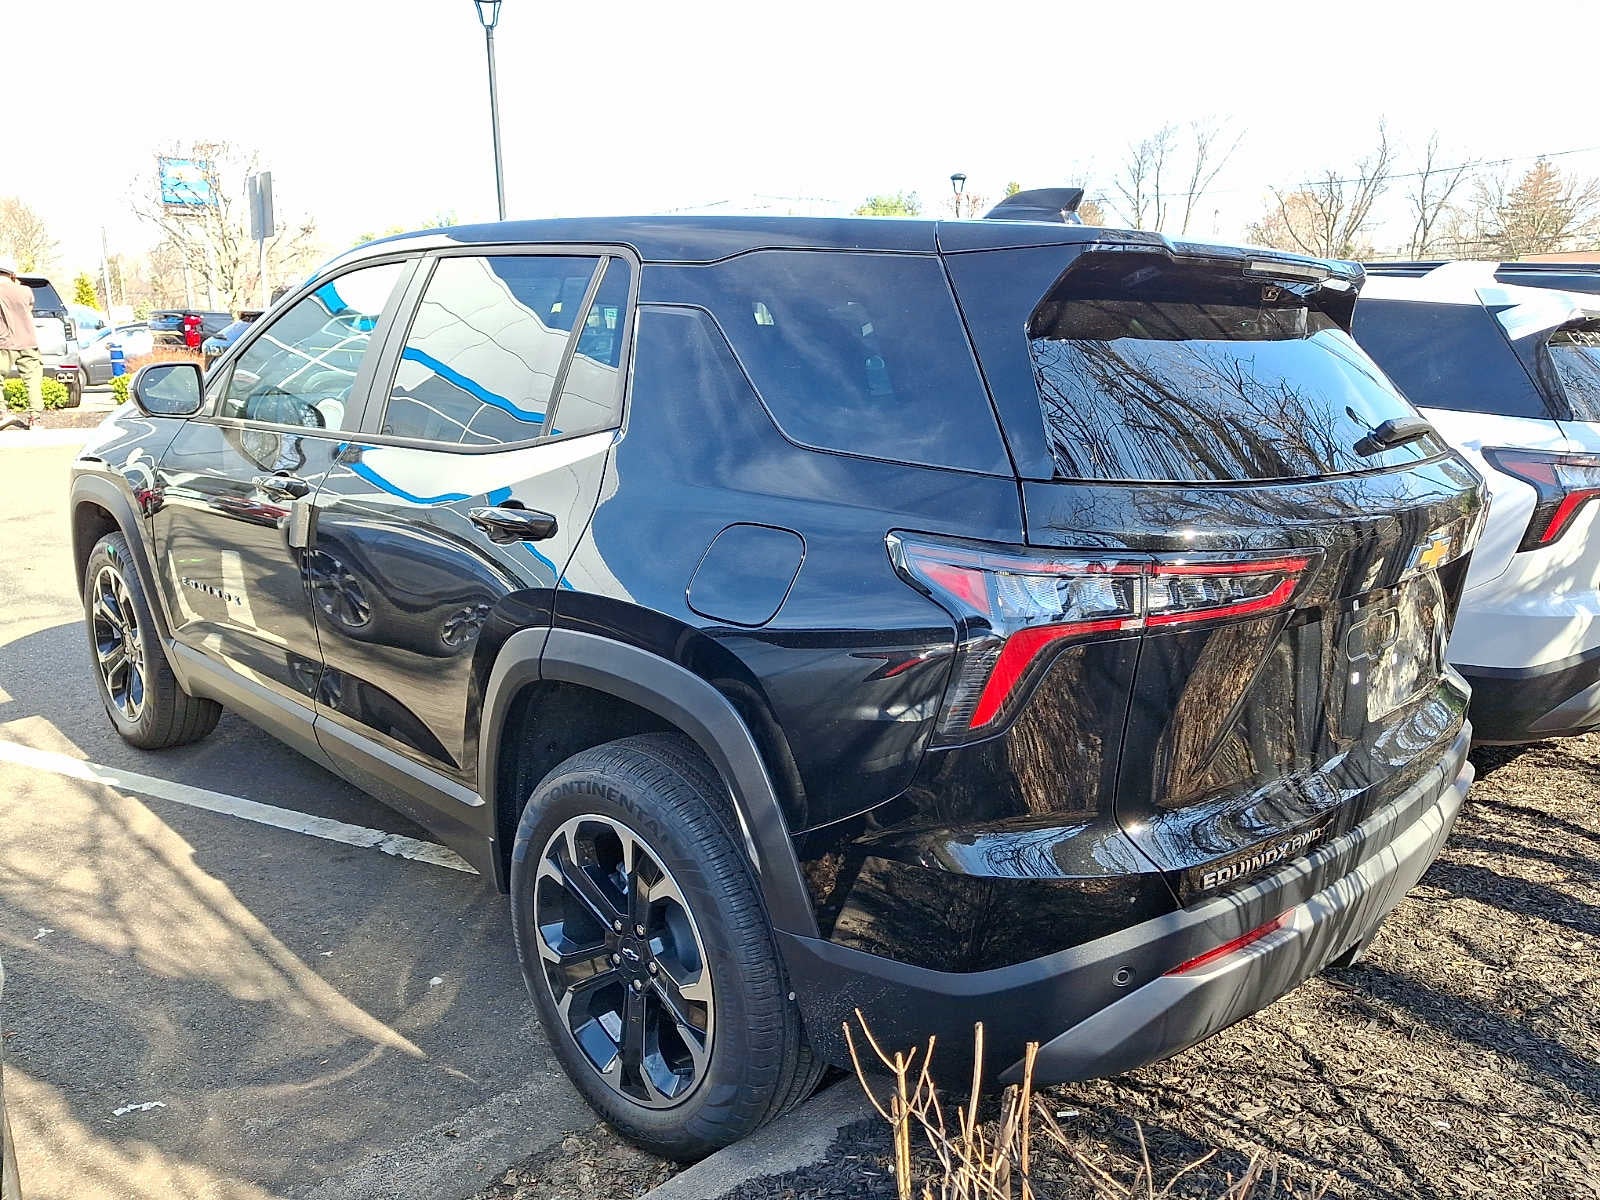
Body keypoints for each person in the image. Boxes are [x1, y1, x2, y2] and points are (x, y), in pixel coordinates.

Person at [0, 258, 42, 431]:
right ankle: (35, 420)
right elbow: (28, 309)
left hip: (4, 342)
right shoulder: (25, 291)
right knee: (32, 380)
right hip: (28, 341)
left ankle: (2, 413)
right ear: (12, 274)